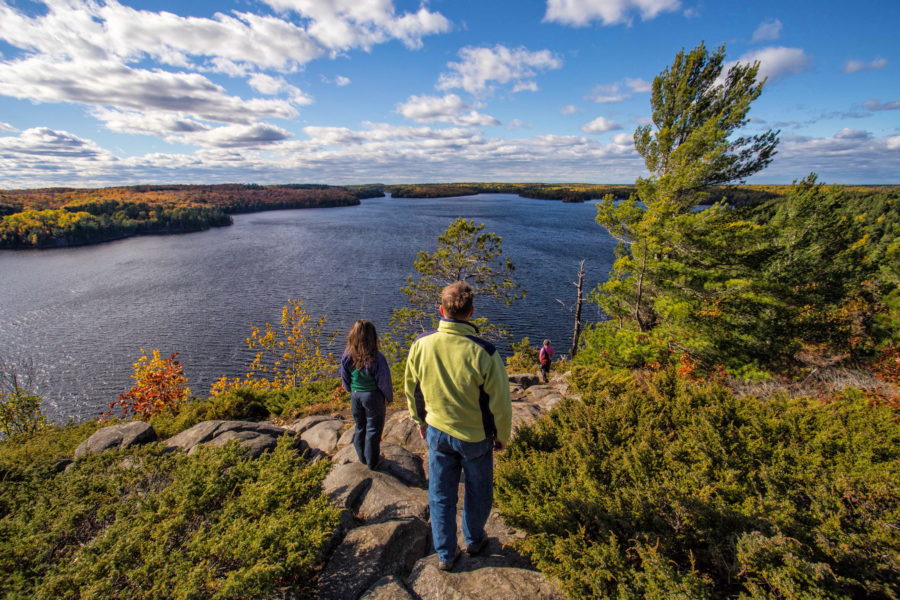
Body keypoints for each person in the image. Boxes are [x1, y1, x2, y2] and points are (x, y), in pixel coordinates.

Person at [404, 281, 512, 571]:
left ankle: (445, 553)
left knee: (440, 494)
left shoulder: (421, 345)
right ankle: (475, 540)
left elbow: (411, 389)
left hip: (437, 433)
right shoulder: (485, 352)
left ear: (441, 310)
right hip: (475, 438)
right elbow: (500, 403)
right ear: (471, 312)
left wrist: (419, 422)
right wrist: (502, 437)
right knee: (479, 492)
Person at [340, 320, 392, 470]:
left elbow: (345, 378)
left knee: (360, 426)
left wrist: (351, 390)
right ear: (373, 337)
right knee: (373, 430)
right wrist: (388, 397)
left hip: (356, 395)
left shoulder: (347, 355)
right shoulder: (377, 357)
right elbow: (384, 381)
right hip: (373, 397)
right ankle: (372, 462)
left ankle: (362, 457)